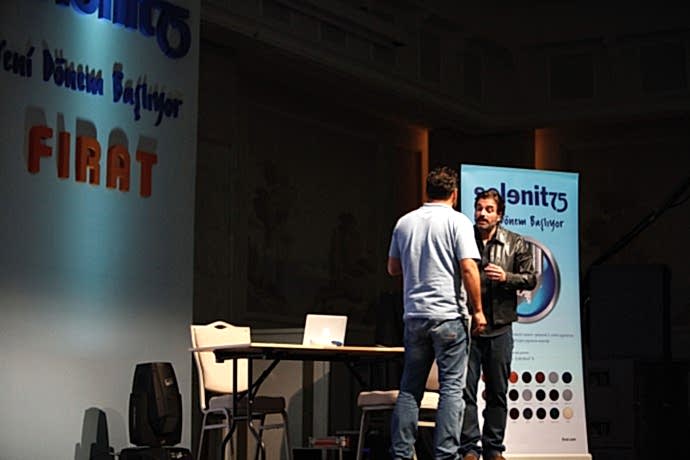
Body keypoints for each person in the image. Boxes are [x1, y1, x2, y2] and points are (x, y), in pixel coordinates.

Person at [388, 166, 487, 460]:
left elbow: (393, 268)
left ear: (426, 192)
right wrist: (478, 311)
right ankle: (445, 455)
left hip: (415, 316)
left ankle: (402, 454)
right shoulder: (458, 222)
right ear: (454, 194)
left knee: (410, 389)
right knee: (452, 390)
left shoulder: (404, 223)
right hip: (448, 316)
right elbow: (468, 268)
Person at [460, 188, 537, 460]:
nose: (482, 213)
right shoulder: (464, 238)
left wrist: (506, 277)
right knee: (465, 392)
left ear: (499, 215)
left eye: (489, 209)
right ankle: (469, 449)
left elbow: (531, 278)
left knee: (497, 392)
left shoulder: (515, 242)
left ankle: (493, 449)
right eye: (479, 208)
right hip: (468, 328)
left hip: (500, 327)